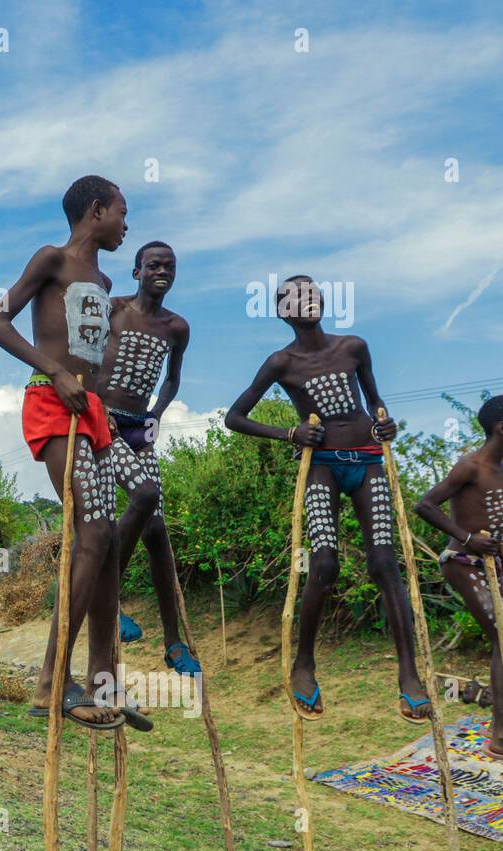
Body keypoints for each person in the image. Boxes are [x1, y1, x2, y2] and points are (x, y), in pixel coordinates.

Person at [0, 174, 149, 732]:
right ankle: (52, 681)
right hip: (52, 405)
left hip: (94, 417)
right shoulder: (49, 259)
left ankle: (104, 677)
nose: (127, 224)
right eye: (122, 213)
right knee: (95, 535)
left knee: (136, 504)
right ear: (96, 210)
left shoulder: (101, 278)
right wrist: (54, 371)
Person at [224, 275, 430, 722]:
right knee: (324, 563)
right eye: (294, 297)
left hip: (370, 461)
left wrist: (386, 425)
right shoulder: (281, 363)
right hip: (323, 466)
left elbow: (377, 405)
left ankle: (409, 674)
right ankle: (305, 664)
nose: (306, 300)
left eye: (311, 292)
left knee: (384, 563)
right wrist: (289, 433)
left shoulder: (354, 347)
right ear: (283, 312)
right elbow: (234, 418)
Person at [98, 241, 196, 673]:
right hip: (103, 423)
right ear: (136, 271)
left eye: (169, 266)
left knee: (157, 532)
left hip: (140, 427)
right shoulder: (113, 309)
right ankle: (107, 600)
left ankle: (174, 644)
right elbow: (83, 359)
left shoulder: (177, 327)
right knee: (144, 497)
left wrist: (156, 414)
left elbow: (173, 380)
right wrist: (94, 406)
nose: (162, 271)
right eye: (153, 265)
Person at [414, 395, 503, 756]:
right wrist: (469, 540)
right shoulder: (471, 466)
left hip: (495, 566)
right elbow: (424, 504)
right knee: (502, 635)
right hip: (464, 561)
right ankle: (499, 734)